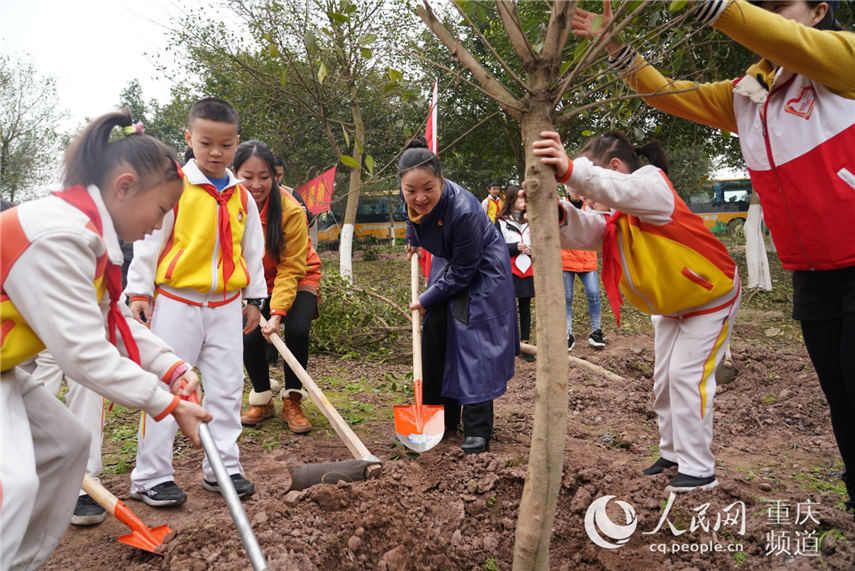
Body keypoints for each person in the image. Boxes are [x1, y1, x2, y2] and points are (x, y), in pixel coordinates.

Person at [573, 0, 855, 511]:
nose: (768, 17)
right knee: (840, 395)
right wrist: (616, 46)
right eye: (761, 7)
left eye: (778, 7)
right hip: (809, 271)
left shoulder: (845, 59)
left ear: (819, 11)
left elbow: (791, 44)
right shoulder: (751, 93)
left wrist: (718, 7)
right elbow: (670, 94)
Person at [0, 110, 210, 569]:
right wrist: (165, 403)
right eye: (160, 211)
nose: (159, 226)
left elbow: (111, 322)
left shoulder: (87, 235)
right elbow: (83, 355)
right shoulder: (56, 235)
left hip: (4, 370)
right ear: (125, 185)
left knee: (67, 446)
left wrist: (171, 367)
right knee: (11, 483)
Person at [533, 131, 741, 492]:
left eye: (589, 175)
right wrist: (560, 214)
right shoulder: (619, 216)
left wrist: (569, 170)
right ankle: (673, 454)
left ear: (614, 167)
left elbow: (615, 189)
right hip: (672, 302)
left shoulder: (650, 185)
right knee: (664, 382)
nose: (582, 192)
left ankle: (699, 468)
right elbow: (588, 231)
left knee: (686, 378)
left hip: (710, 295)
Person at [126, 97, 267, 505]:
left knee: (226, 388)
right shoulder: (175, 188)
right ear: (189, 139)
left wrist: (255, 298)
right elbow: (149, 241)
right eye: (206, 143)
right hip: (176, 301)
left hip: (226, 306)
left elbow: (251, 252)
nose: (216, 153)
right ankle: (151, 475)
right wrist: (140, 292)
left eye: (225, 145)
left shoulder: (242, 197)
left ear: (236, 143)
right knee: (168, 386)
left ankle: (223, 466)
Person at [402, 138, 516, 454]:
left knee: (472, 340)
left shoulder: (464, 211)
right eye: (411, 190)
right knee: (437, 334)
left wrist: (426, 298)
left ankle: (478, 428)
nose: (419, 197)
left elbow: (465, 272)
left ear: (441, 180)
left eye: (428, 189)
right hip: (449, 261)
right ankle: (441, 417)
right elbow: (413, 220)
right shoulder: (410, 198)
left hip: (482, 268)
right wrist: (413, 237)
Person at [236, 141, 322, 431]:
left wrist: (276, 313)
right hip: (255, 281)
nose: (256, 184)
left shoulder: (291, 210)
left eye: (264, 177)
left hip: (298, 275)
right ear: (234, 174)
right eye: (248, 177)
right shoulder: (227, 206)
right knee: (249, 335)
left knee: (296, 329)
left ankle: (293, 400)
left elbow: (291, 268)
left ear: (275, 176)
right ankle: (262, 400)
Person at [561, 192, 606, 351]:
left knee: (594, 294)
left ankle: (596, 331)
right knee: (566, 297)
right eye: (573, 189)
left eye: (579, 189)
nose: (577, 193)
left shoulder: (590, 209)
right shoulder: (562, 207)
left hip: (588, 260)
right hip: (566, 259)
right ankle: (567, 334)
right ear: (567, 190)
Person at [497, 185, 535, 344]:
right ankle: (510, 342)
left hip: (527, 267)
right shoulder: (501, 221)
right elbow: (495, 247)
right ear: (511, 199)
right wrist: (514, 248)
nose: (523, 201)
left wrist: (532, 250)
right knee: (508, 306)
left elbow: (540, 241)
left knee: (525, 305)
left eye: (524, 197)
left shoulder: (532, 219)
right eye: (520, 197)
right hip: (508, 268)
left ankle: (525, 341)